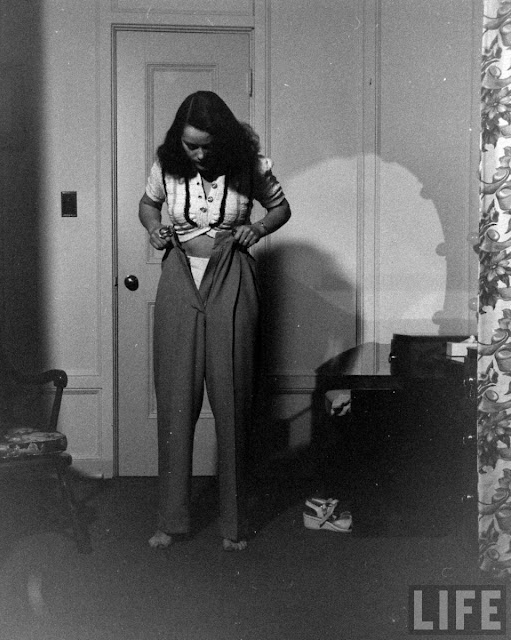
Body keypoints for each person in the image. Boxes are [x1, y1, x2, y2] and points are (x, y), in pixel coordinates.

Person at [138, 91, 291, 551]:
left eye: (207, 146)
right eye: (191, 146)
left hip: (232, 274)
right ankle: (171, 520)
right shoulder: (166, 165)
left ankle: (234, 525)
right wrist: (153, 228)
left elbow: (280, 208)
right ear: (179, 141)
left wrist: (257, 228)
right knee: (175, 398)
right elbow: (147, 205)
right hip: (179, 274)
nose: (200, 155)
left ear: (223, 138)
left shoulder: (250, 165)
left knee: (234, 397)